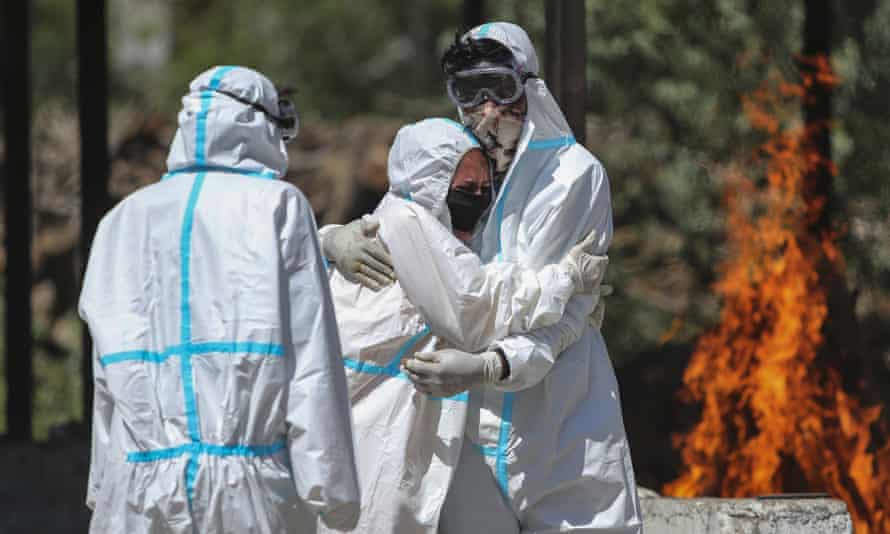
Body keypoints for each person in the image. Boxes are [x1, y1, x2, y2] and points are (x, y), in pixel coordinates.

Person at [326, 23, 643, 533]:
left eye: (500, 87)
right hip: (458, 423)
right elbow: (404, 224)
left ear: (529, 86)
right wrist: (331, 239)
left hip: (553, 415)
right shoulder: (454, 165)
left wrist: (491, 365)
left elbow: (531, 317)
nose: (488, 108)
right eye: (469, 92)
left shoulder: (572, 177)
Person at [79, 66, 360, 534]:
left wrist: (102, 486)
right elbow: (312, 361)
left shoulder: (119, 221)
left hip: (136, 491)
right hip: (247, 492)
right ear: (263, 126)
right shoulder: (279, 206)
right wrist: (333, 493)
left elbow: (105, 381)